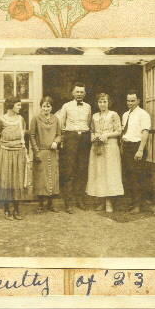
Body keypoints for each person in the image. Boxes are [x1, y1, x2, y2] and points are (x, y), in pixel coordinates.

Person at [0, 96, 29, 220]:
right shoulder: (0, 121)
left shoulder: (21, 120)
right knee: (7, 180)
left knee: (17, 180)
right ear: (11, 105)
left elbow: (23, 138)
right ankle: (7, 209)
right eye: (18, 105)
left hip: (19, 153)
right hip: (5, 154)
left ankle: (17, 209)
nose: (20, 107)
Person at [86, 93, 124, 213]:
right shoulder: (94, 116)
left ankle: (109, 202)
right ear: (97, 103)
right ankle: (101, 201)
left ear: (109, 103)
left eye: (105, 102)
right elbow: (91, 130)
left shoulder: (114, 115)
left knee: (110, 174)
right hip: (97, 148)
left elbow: (119, 131)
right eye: (100, 102)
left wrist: (106, 135)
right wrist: (93, 137)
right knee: (99, 174)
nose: (102, 104)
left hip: (110, 148)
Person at [59, 83, 92, 213]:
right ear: (73, 93)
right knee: (69, 170)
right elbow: (62, 124)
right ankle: (68, 202)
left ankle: (80, 200)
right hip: (70, 137)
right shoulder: (66, 106)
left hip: (84, 137)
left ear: (84, 94)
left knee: (82, 169)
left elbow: (88, 123)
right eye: (77, 92)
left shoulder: (88, 107)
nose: (79, 94)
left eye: (81, 92)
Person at [121, 90, 151, 214]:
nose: (130, 103)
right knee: (128, 176)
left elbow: (145, 133)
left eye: (133, 100)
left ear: (138, 100)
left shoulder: (143, 114)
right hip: (127, 146)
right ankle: (133, 203)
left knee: (138, 176)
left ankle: (138, 205)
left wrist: (140, 150)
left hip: (137, 147)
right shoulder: (125, 114)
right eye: (128, 100)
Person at [29, 97, 61, 213]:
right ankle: (41, 204)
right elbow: (32, 135)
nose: (46, 109)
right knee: (41, 178)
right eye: (44, 106)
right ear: (41, 107)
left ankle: (51, 203)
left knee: (53, 177)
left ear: (51, 107)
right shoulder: (36, 119)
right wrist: (36, 151)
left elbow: (59, 134)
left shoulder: (55, 119)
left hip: (52, 152)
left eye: (48, 106)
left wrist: (55, 142)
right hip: (41, 152)